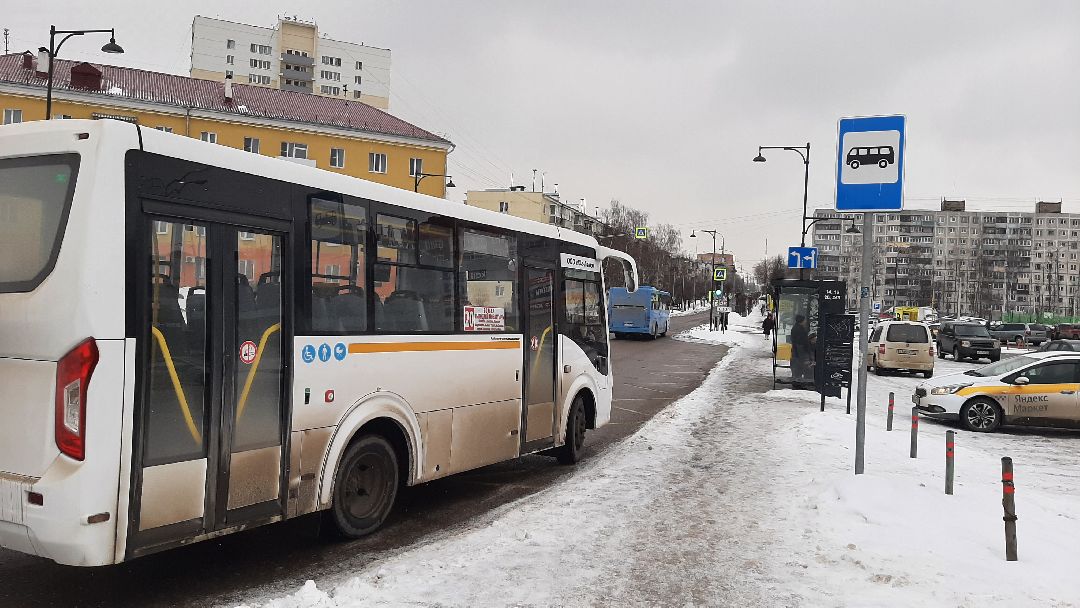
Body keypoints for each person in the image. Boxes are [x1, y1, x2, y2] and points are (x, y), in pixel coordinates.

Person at [791, 314, 813, 383]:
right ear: (801, 321)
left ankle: (797, 378)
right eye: (804, 320)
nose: (805, 321)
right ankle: (799, 380)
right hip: (800, 350)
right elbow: (802, 341)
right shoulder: (800, 330)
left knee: (798, 365)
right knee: (800, 365)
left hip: (797, 350)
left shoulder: (796, 328)